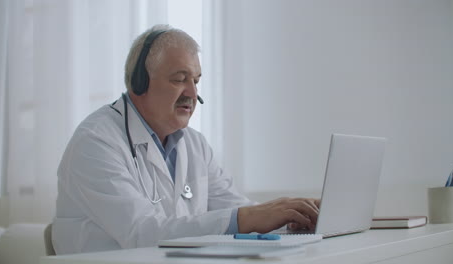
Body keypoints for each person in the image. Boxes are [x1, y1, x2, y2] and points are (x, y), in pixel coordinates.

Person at [52, 24, 320, 254]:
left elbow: (237, 211)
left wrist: (293, 218)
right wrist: (247, 217)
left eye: (196, 80)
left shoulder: (194, 145)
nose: (192, 93)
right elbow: (141, 233)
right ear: (140, 83)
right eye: (180, 79)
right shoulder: (96, 142)